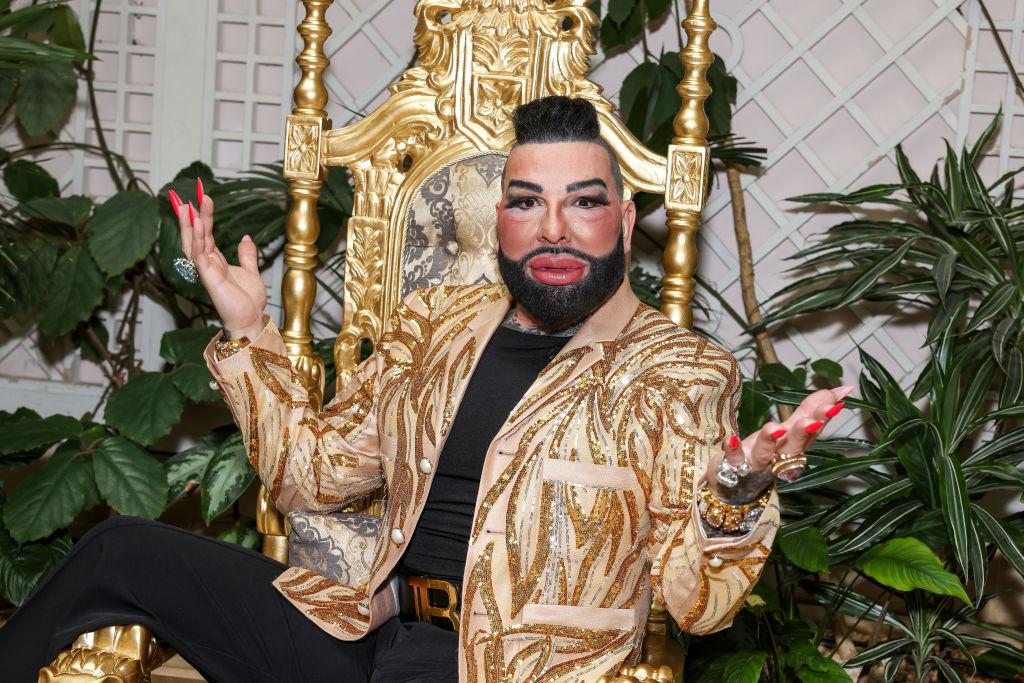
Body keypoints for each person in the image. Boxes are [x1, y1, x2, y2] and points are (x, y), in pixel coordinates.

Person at [0, 97, 850, 682]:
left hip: (513, 669)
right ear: (501, 222)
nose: (553, 228)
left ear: (623, 222)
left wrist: (737, 490)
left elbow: (697, 604)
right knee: (123, 550)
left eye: (583, 203)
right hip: (364, 632)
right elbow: (309, 476)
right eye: (527, 202)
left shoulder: (680, 370)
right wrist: (250, 331)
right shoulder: (440, 321)